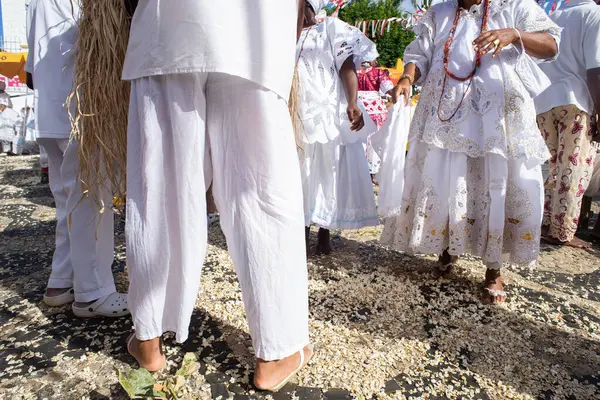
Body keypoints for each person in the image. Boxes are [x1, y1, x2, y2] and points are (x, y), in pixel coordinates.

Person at [121, 0, 312, 390]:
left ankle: (149, 339)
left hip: (168, 26)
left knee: (158, 188)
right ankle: (275, 353)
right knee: (261, 193)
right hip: (257, 33)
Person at [384, 0, 560, 304]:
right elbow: (419, 54)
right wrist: (407, 77)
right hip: (445, 118)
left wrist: (514, 34)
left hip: (496, 123)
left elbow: (551, 45)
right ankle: (446, 249)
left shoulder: (516, 5)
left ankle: (493, 270)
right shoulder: (439, 12)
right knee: (448, 181)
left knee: (496, 184)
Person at [25, 0, 128, 317]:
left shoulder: (36, 4)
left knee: (67, 201)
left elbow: (29, 73)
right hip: (82, 110)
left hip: (50, 114)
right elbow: (101, 46)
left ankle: (61, 282)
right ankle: (92, 293)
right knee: (90, 200)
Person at [297, 0, 379, 255]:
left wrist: (352, 102)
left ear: (309, 7)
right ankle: (300, 231)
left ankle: (324, 232)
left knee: (327, 173)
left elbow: (346, 66)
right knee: (301, 172)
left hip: (326, 112)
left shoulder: (329, 29)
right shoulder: (285, 34)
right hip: (297, 113)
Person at [535, 0, 600, 249]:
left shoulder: (555, 15)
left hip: (544, 101)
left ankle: (544, 221)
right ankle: (562, 231)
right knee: (574, 167)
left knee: (552, 166)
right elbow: (596, 70)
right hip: (576, 100)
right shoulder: (593, 14)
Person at [358, 60, 395, 179]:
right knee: (371, 142)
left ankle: (363, 172)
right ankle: (370, 174)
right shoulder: (378, 73)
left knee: (364, 142)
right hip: (373, 111)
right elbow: (390, 90)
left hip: (364, 110)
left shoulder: (351, 71)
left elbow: (390, 90)